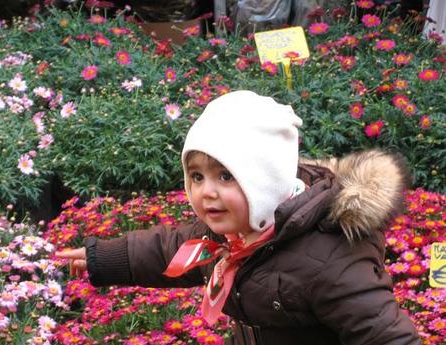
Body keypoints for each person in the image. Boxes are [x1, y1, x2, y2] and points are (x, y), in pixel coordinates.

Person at [56, 90, 420, 345]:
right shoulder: (233, 236)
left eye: (225, 176)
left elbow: (384, 334)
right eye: (197, 176)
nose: (206, 192)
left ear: (264, 181)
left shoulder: (330, 262)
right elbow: (173, 248)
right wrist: (102, 257)